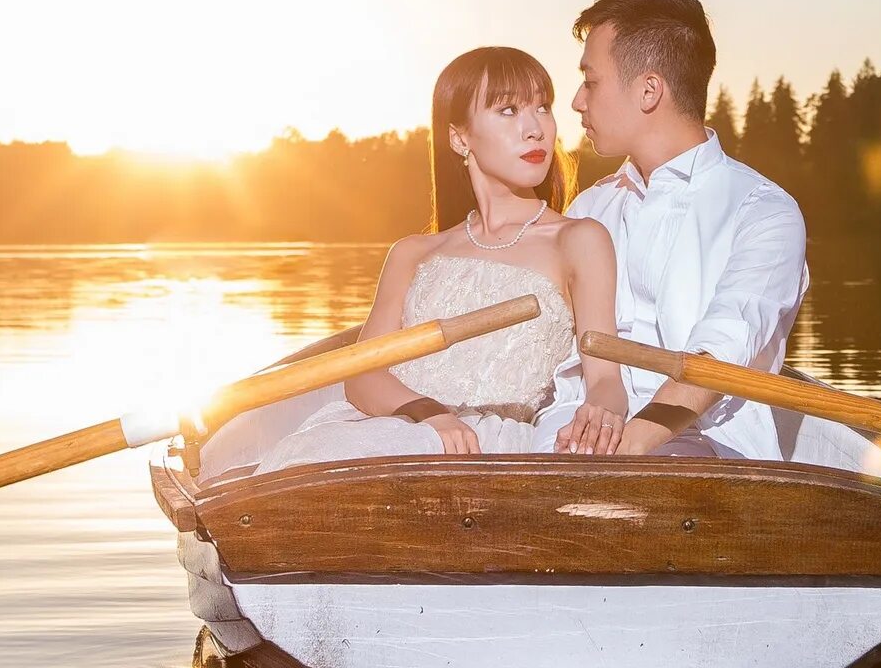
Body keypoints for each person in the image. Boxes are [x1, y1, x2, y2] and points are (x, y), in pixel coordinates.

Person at [257, 47, 631, 472]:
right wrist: (431, 416)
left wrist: (601, 411)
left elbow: (605, 379)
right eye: (508, 110)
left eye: (542, 107)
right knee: (300, 470)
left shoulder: (579, 239)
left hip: (483, 449)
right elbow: (362, 376)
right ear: (459, 138)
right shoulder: (413, 253)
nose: (536, 129)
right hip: (390, 427)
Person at [544, 0, 809, 460]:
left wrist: (636, 438)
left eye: (592, 80)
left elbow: (724, 346)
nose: (578, 102)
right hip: (576, 435)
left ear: (649, 90)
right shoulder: (587, 210)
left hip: (709, 448)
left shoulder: (764, 211)